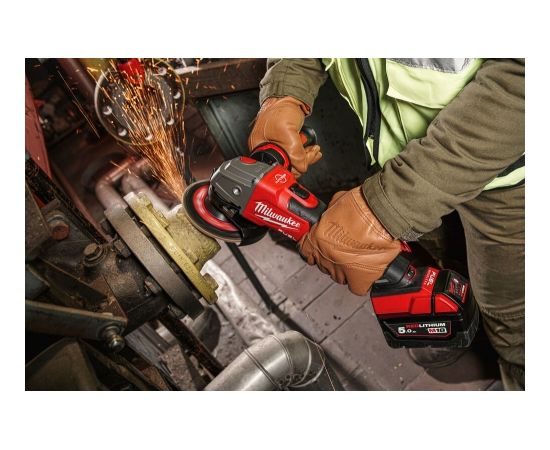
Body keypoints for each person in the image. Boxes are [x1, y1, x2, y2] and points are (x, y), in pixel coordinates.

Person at [248, 58, 525, 390]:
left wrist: (386, 206)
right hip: (404, 159)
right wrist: (283, 90)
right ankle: (470, 332)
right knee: (451, 268)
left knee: (516, 319)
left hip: (509, 173)